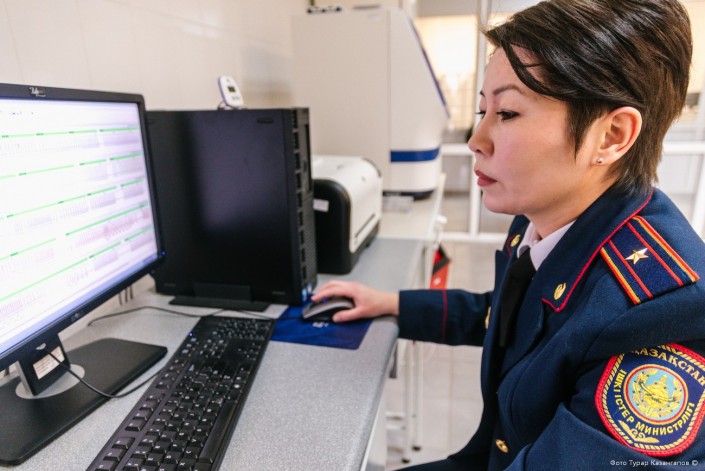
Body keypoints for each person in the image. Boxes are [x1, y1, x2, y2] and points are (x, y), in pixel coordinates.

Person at [312, 0, 705, 469]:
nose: (476, 140)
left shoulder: (662, 310)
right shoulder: (545, 216)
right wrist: (392, 304)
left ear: (611, 136)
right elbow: (512, 319)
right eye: (483, 109)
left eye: (509, 113)